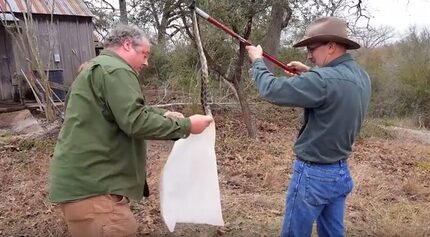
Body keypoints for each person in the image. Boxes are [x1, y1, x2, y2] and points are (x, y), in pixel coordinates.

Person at [48, 25, 213, 237]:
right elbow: (135, 122)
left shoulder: (95, 69)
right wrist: (187, 126)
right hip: (96, 194)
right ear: (127, 45)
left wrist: (162, 115)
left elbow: (120, 111)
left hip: (83, 188)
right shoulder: (117, 70)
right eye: (144, 54)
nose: (146, 62)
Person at [246, 17, 371, 237]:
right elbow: (334, 90)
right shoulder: (361, 76)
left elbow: (272, 90)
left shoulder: (322, 80)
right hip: (340, 173)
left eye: (312, 48)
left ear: (331, 46)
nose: (309, 55)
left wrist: (257, 62)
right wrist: (308, 73)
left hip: (313, 176)